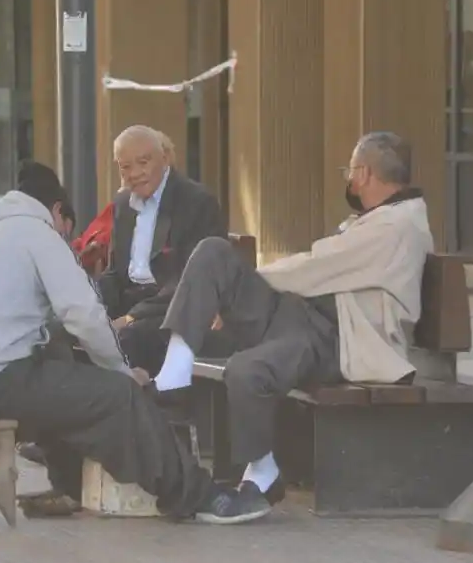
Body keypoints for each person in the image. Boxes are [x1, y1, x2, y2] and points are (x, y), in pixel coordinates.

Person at [0, 160, 269, 525]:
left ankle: (71, 486)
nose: (68, 240)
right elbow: (83, 313)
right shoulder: (37, 233)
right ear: (57, 212)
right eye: (68, 231)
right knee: (117, 396)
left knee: (62, 369)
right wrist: (121, 373)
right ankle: (201, 498)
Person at [151, 131, 434, 515]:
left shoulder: (397, 226)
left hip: (338, 340)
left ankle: (261, 473)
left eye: (349, 171)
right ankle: (174, 372)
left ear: (364, 173)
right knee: (213, 251)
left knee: (246, 371)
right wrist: (229, 287)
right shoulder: (382, 218)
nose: (347, 180)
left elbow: (318, 264)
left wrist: (245, 282)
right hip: (303, 318)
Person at [98, 124, 227, 377]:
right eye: (125, 166)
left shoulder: (197, 202)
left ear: (165, 159)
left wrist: (132, 317)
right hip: (130, 303)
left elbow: (190, 280)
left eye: (143, 162)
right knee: (71, 331)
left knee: (125, 340)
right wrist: (85, 303)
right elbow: (114, 273)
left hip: (173, 308)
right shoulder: (123, 204)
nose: (134, 173)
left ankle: (133, 402)